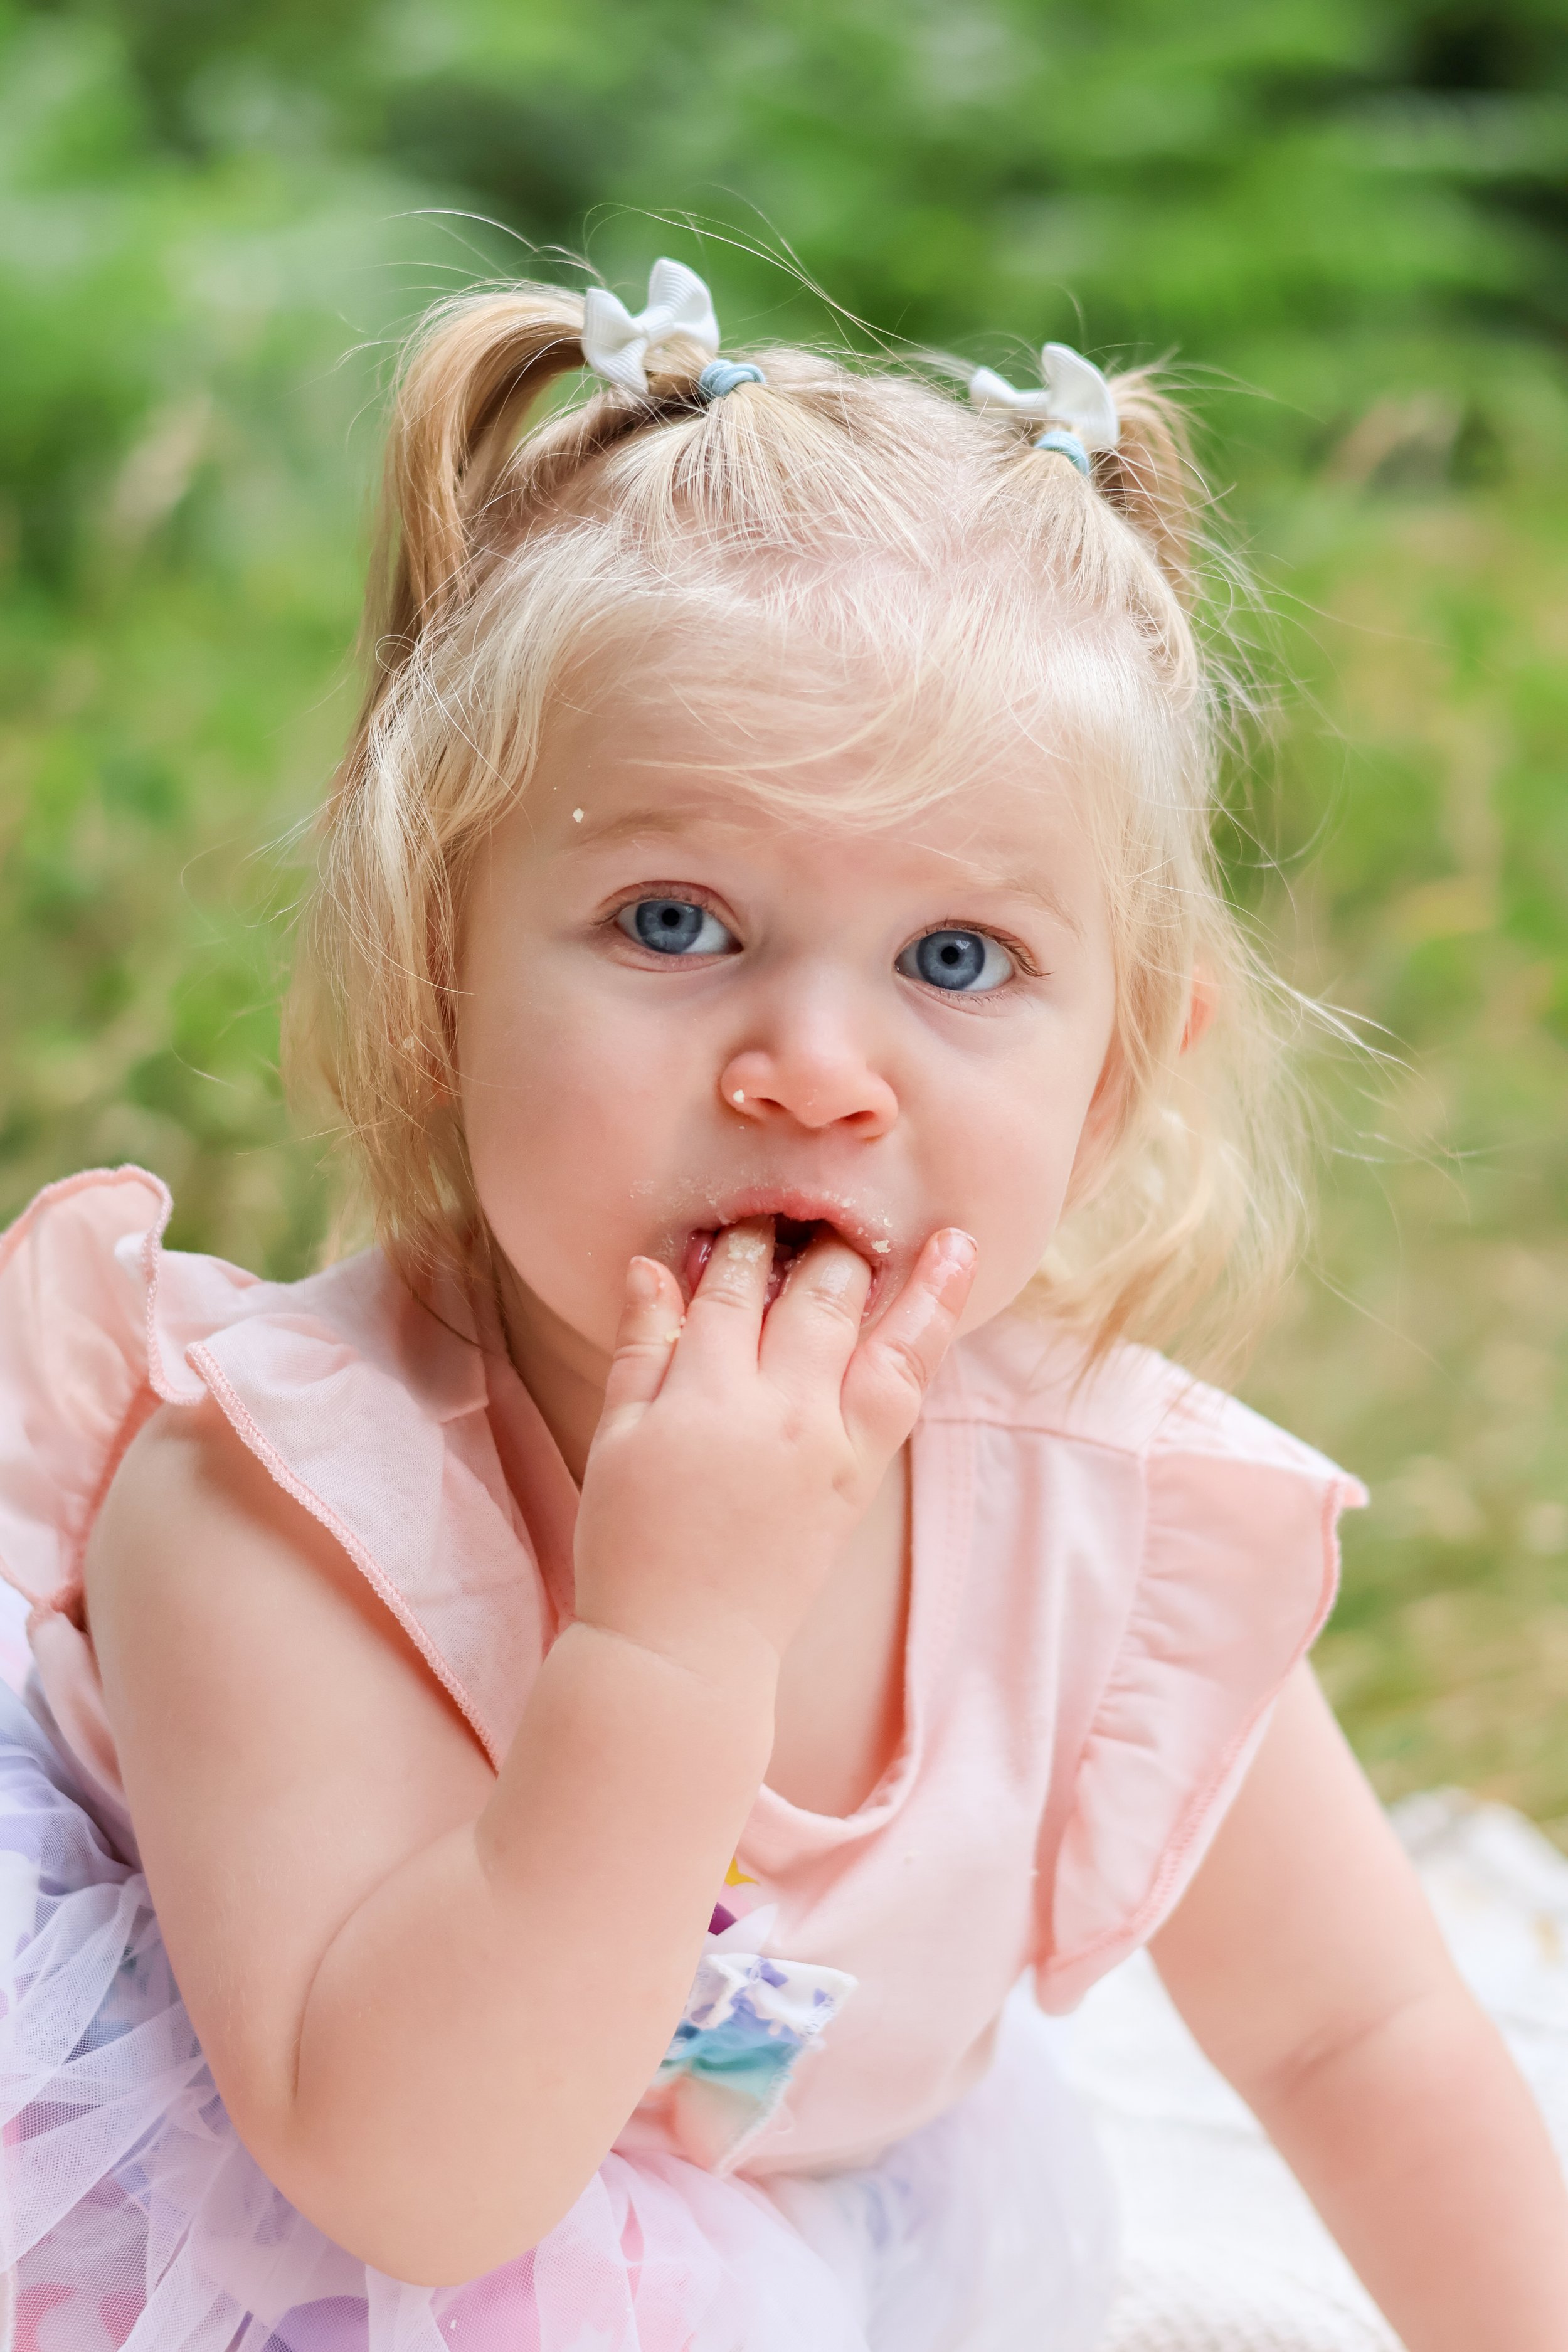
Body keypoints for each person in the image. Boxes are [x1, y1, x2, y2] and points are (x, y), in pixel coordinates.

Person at [0, 255, 1562, 2352]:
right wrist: (668, 1642)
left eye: (953, 961)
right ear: (432, 977)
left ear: (1113, 1079)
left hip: (807, 2221)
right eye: (675, 922)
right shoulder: (275, 1501)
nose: (813, 1067)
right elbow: (412, 2186)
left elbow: (1355, 2038)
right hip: (308, 2223)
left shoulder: (1098, 1518)